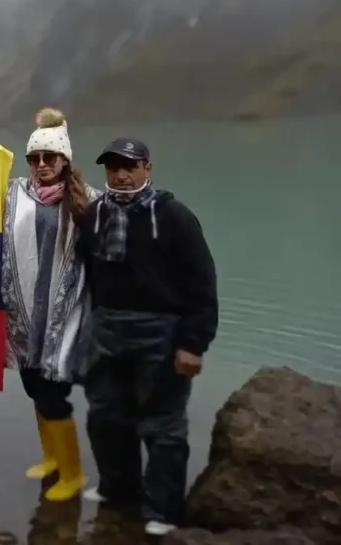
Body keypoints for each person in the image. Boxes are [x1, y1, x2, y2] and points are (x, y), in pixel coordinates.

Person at [79, 138, 217, 536]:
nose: (121, 176)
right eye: (113, 168)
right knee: (106, 415)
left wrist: (193, 343)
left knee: (162, 422)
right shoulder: (93, 215)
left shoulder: (174, 216)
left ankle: (163, 509)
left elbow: (202, 284)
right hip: (107, 327)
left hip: (162, 329)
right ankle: (118, 490)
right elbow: (87, 272)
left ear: (148, 169)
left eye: (130, 167)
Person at [0, 108, 99, 502]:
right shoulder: (14, 194)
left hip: (65, 310)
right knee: (33, 386)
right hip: (25, 311)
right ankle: (52, 457)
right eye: (34, 158)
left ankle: (73, 473)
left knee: (55, 392)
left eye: (49, 158)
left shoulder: (89, 202)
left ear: (64, 160)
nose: (41, 166)